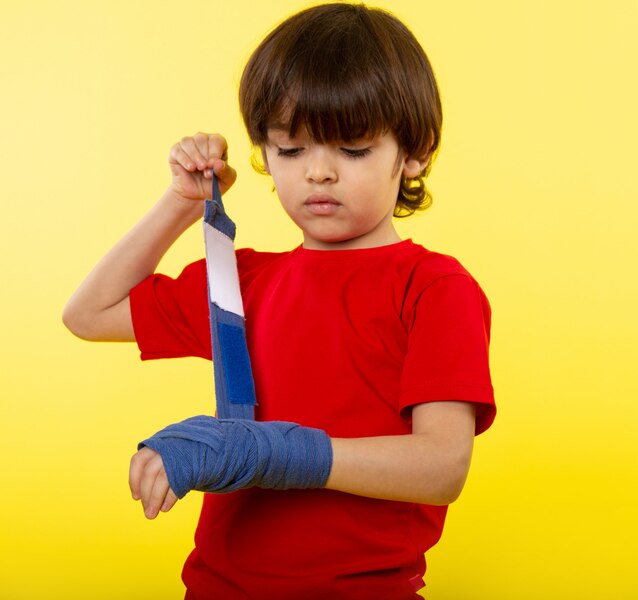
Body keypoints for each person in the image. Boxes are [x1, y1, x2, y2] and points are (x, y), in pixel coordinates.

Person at [62, 3, 495, 598]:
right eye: (291, 151)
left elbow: (443, 467)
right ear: (265, 154)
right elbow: (88, 314)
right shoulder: (236, 283)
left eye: (353, 149)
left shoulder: (434, 288)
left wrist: (274, 452)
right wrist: (183, 203)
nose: (319, 173)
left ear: (414, 152)